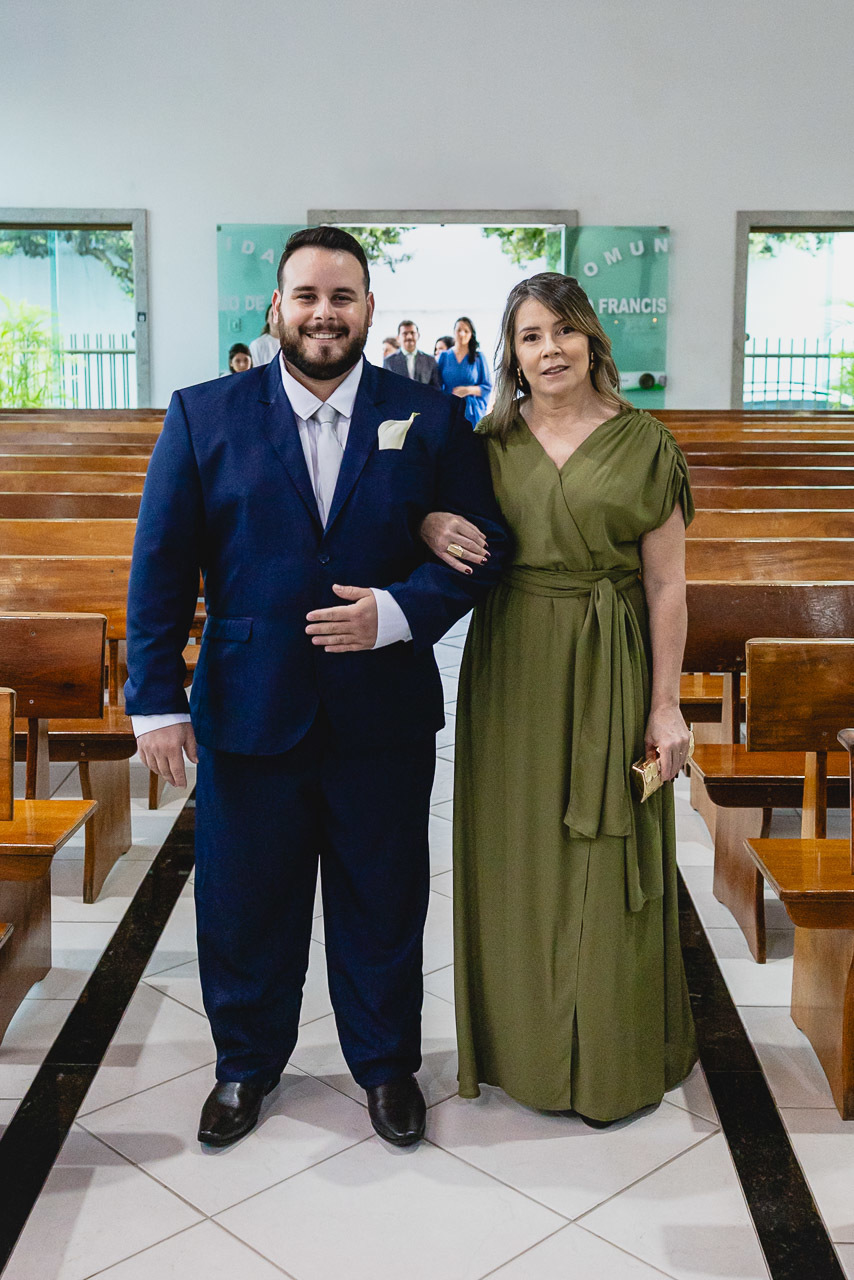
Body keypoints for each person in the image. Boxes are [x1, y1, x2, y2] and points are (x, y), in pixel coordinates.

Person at [125, 225, 507, 1150]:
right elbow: (163, 565)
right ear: (277, 309)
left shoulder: (430, 420)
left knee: (383, 898)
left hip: (382, 708)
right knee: (245, 899)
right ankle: (245, 1065)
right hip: (251, 703)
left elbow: (481, 547)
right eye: (307, 296)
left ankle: (385, 1067)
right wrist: (156, 699)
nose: (324, 313)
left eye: (343, 297)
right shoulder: (204, 414)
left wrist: (400, 611)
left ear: (370, 309)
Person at [421, 273, 697, 1124]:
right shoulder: (487, 442)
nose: (550, 349)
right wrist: (429, 523)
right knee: (516, 856)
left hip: (611, 661)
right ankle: (521, 1048)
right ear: (512, 351)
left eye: (564, 331)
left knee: (608, 856)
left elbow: (667, 587)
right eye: (532, 335)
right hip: (511, 664)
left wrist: (666, 704)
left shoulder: (648, 444)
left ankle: (611, 1052)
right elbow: (425, 519)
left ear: (593, 341)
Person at [436, 317, 492, 426]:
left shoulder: (478, 358)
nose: (462, 334)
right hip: (449, 410)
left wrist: (468, 390)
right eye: (459, 330)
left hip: (472, 413)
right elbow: (436, 385)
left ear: (471, 335)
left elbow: (487, 387)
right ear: (454, 332)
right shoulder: (444, 356)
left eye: (466, 331)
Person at [384, 320, 441, 388]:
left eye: (412, 333)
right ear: (398, 338)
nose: (409, 337)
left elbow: (436, 389)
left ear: (418, 335)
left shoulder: (430, 360)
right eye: (405, 333)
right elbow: (386, 387)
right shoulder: (389, 361)